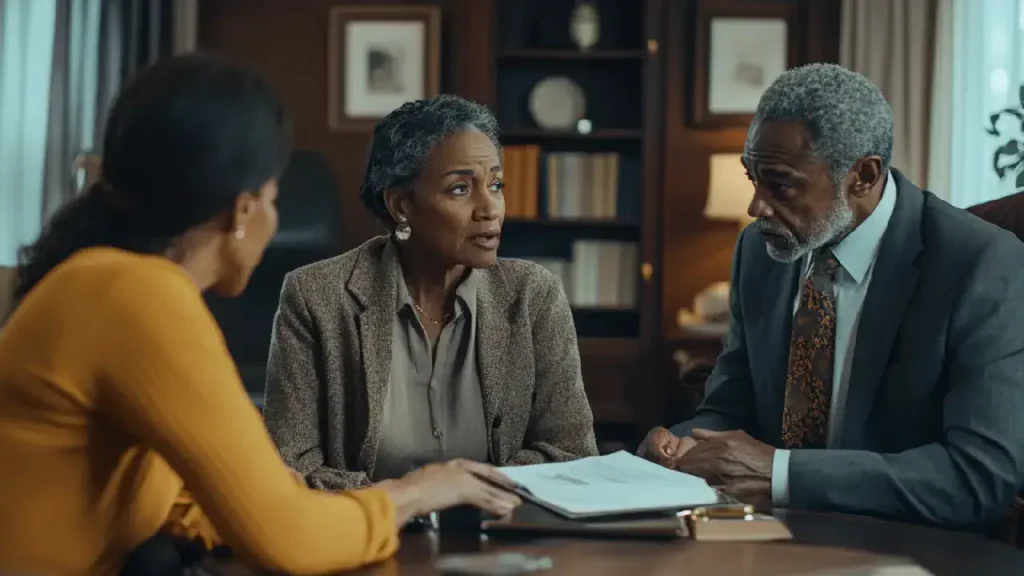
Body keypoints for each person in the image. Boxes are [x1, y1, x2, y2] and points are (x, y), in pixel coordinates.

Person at [0, 55, 519, 576]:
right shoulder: (135, 296)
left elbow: (193, 499)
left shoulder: (107, 283)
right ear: (244, 211)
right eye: (273, 197)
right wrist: (418, 492)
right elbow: (289, 542)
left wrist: (284, 500)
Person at [639, 63, 1024, 530]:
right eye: (752, 178)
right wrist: (679, 445)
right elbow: (732, 406)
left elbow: (978, 477)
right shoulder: (759, 253)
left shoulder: (980, 265)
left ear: (862, 175)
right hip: (759, 536)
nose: (756, 207)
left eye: (780, 184)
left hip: (907, 543)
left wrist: (781, 474)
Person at [262, 94, 599, 490]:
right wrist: (415, 498)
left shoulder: (533, 295)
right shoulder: (316, 296)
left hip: (504, 537)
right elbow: (291, 468)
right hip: (365, 538)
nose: (490, 208)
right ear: (401, 206)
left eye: (495, 184)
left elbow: (573, 452)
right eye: (460, 189)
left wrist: (464, 494)